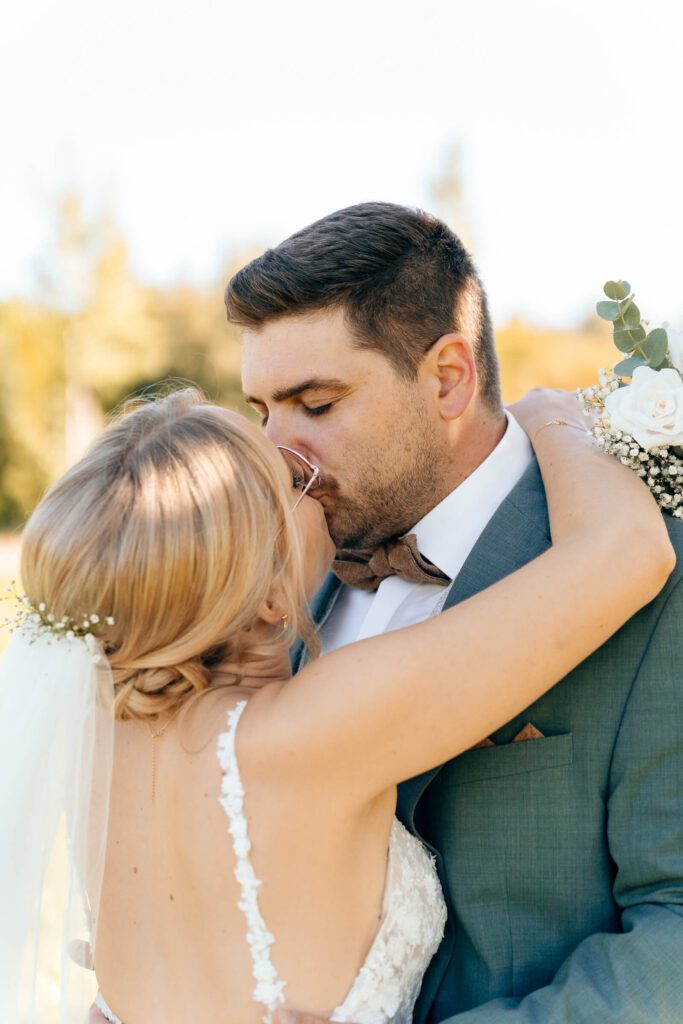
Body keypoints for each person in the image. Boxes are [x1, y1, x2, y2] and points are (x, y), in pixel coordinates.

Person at [2, 375, 673, 1024]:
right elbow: (627, 550)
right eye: (290, 483)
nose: (315, 480)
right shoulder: (310, 727)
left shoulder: (91, 745)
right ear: (266, 597)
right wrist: (553, 414)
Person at [223, 202, 683, 1024]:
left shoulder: (649, 574)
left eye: (316, 405)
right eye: (262, 412)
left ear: (447, 378)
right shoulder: (277, 581)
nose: (275, 456)